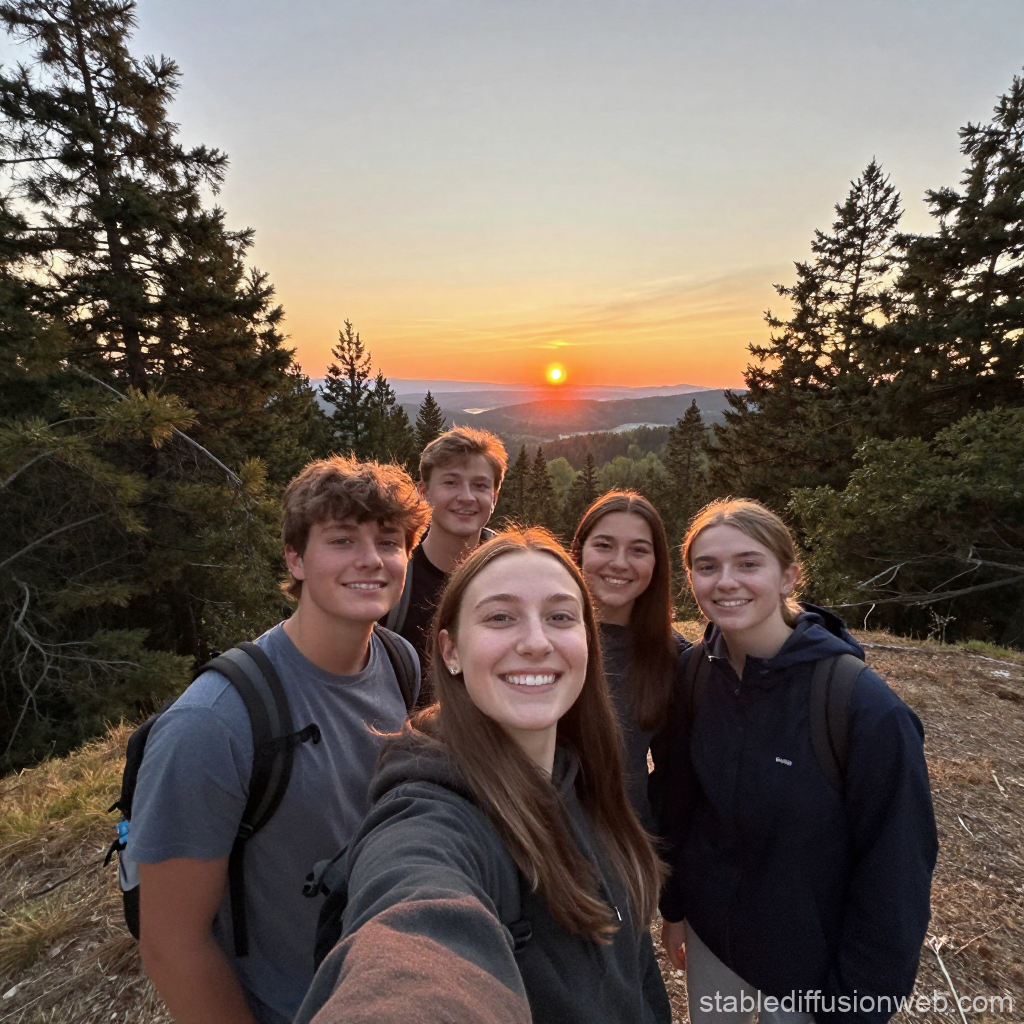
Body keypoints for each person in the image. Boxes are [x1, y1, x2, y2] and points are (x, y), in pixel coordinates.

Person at [297, 529, 671, 1024]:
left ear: (587, 642)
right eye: (500, 617)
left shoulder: (585, 782)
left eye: (560, 617)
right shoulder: (430, 815)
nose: (536, 642)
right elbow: (415, 932)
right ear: (450, 651)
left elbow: (635, 974)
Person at [127, 456, 429, 1024]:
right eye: (341, 539)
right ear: (295, 557)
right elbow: (170, 945)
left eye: (389, 542)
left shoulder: (399, 662)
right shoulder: (212, 725)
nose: (370, 559)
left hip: (384, 987)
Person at [652, 499, 937, 1024]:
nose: (725, 582)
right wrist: (675, 907)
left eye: (748, 564)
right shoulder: (694, 674)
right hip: (714, 940)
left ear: (789, 576)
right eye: (707, 566)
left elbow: (895, 874)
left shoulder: (862, 709)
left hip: (813, 971)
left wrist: (855, 1005)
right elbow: (678, 800)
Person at [570, 490, 685, 831]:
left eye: (638, 550)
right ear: (578, 553)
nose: (620, 563)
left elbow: (677, 781)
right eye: (604, 545)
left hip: (627, 856)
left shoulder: (675, 658)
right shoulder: (540, 643)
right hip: (530, 855)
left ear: (656, 563)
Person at [382, 426, 508, 702]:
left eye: (480, 485)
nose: (466, 497)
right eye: (451, 482)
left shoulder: (512, 573)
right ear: (424, 492)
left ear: (494, 498)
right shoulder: (393, 578)